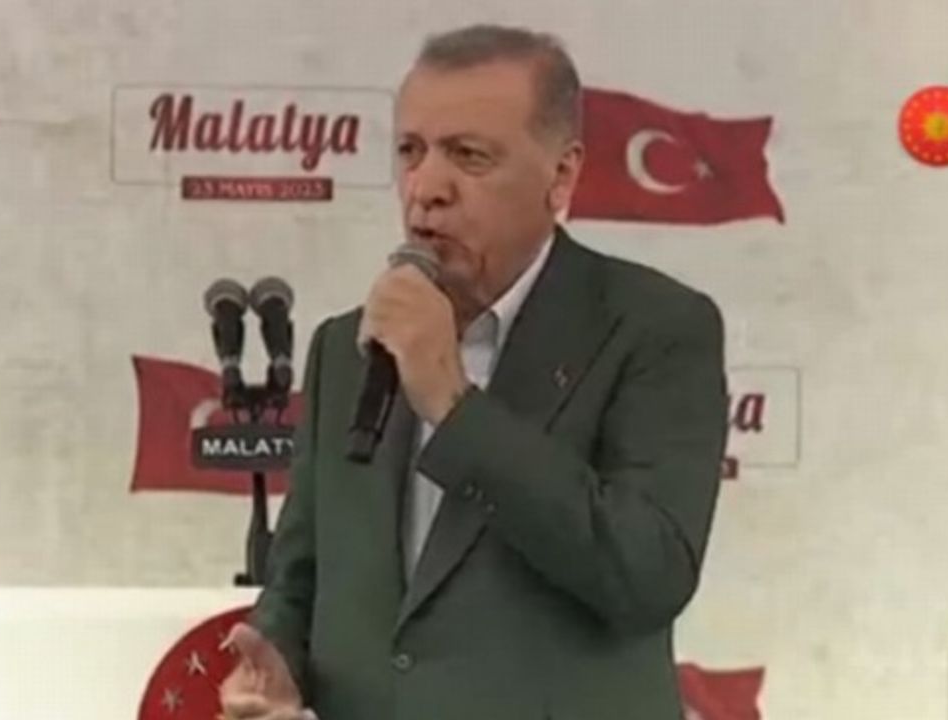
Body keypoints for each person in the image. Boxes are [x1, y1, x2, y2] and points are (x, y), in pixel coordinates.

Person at [219, 23, 729, 720]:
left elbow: (648, 575)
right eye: (411, 151)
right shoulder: (347, 347)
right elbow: (300, 575)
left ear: (561, 175)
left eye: (469, 155)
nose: (426, 187)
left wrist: (455, 408)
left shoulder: (654, 328)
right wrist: (278, 660)